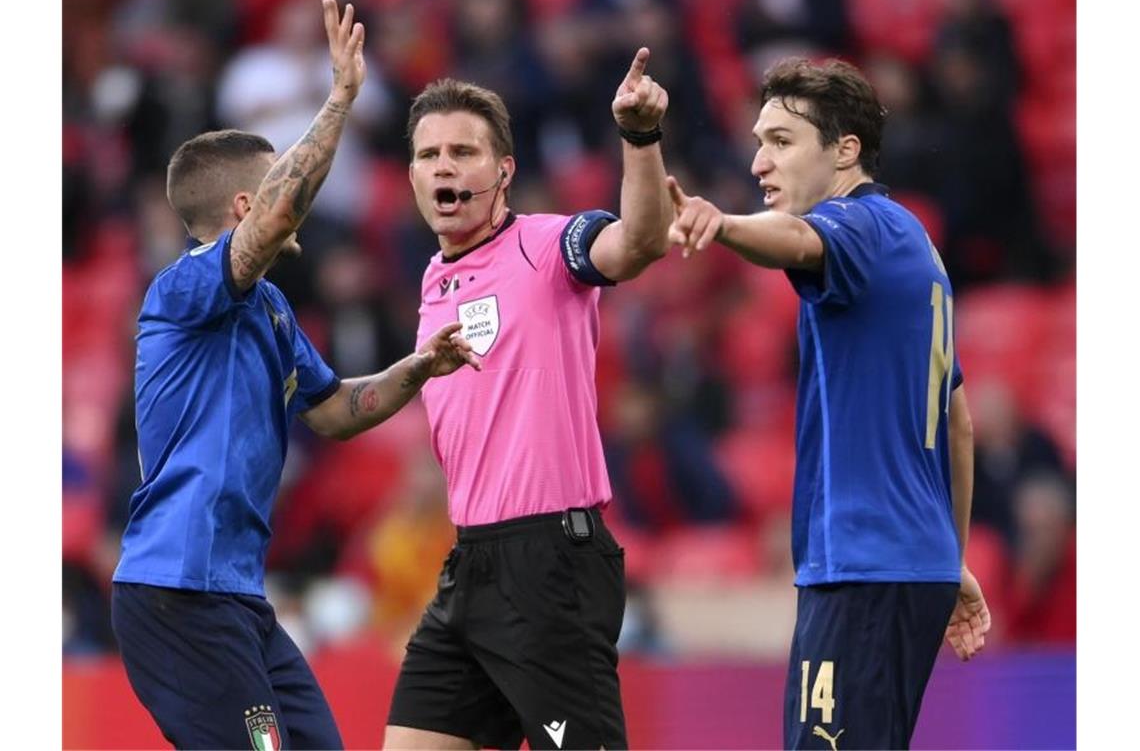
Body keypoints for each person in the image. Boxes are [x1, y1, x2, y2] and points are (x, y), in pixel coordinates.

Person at [110, 0, 479, 749]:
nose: (299, 200)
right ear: (248, 204)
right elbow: (275, 221)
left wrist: (420, 366)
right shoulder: (179, 292)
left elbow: (334, 411)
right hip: (177, 591)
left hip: (238, 597)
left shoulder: (272, 309)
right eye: (281, 180)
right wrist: (339, 97)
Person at [666, 57, 992, 749]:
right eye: (758, 142)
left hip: (865, 569)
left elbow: (797, 239)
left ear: (845, 150)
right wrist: (949, 557)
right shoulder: (914, 246)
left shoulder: (860, 227)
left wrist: (720, 223)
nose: (759, 162)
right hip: (903, 564)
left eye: (781, 142)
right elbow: (956, 424)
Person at [383, 47, 673, 750]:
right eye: (429, 154)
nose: (444, 166)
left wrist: (638, 139)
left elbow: (638, 243)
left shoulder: (546, 246)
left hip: (551, 563)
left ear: (504, 171)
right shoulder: (433, 277)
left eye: (463, 151)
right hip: (470, 564)